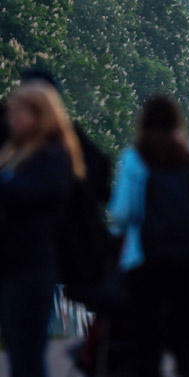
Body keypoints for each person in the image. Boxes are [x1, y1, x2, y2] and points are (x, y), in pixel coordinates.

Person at [109, 95, 189, 377]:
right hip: (187, 255)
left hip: (144, 257)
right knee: (186, 339)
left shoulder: (134, 159)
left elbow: (121, 212)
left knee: (146, 341)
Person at [0, 81, 84, 377]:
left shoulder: (51, 156)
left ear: (38, 116)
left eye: (17, 113)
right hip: (13, 261)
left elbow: (29, 194)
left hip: (32, 261)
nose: (10, 120)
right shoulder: (16, 154)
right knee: (17, 349)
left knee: (28, 352)